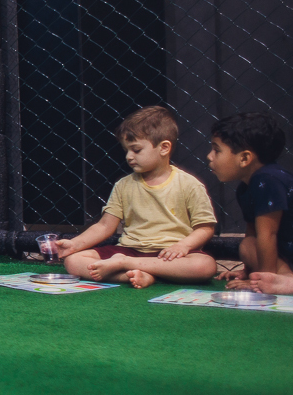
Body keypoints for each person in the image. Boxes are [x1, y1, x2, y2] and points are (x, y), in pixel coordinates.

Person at [57, 106, 218, 288]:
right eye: (126, 150)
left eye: (136, 150)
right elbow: (104, 226)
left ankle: (129, 267)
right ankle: (133, 276)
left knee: (205, 266)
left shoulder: (189, 184)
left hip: (169, 255)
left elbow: (205, 228)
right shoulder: (123, 185)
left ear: (164, 148)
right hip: (128, 250)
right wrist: (74, 244)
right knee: (73, 261)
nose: (129, 156)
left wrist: (183, 246)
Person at [207, 111, 293, 295]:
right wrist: (249, 272)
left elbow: (268, 234)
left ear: (244, 158)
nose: (210, 156)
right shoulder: (246, 188)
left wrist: (261, 280)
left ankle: (286, 282)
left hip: (291, 257)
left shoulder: (267, 180)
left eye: (217, 150)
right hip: (289, 257)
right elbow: (254, 235)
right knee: (247, 245)